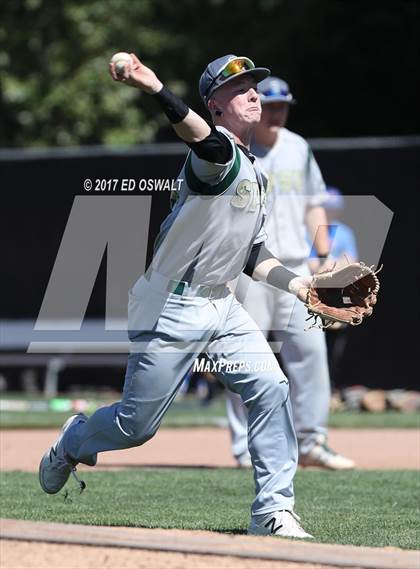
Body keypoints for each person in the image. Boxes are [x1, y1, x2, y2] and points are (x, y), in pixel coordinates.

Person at [39, 54, 317, 538]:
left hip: (222, 306)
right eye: (240, 88)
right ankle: (74, 440)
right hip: (172, 305)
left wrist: (299, 285)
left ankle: (272, 511)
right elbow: (201, 139)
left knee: (271, 387)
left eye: (255, 84)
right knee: (135, 427)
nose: (254, 93)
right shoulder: (216, 157)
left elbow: (250, 255)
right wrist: (154, 87)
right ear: (215, 104)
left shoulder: (256, 173)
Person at [226, 77, 355, 470]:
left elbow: (314, 204)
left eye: (284, 106)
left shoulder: (298, 147)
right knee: (244, 358)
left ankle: (312, 441)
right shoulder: (236, 149)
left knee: (311, 354)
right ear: (254, 106)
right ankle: (245, 448)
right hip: (249, 269)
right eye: (271, 105)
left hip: (296, 269)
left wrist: (324, 255)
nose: (278, 112)